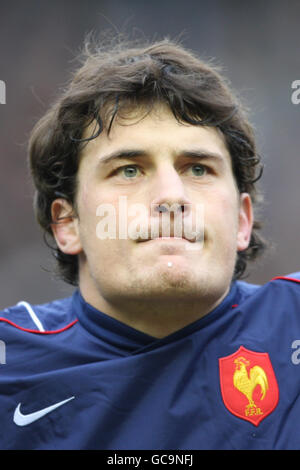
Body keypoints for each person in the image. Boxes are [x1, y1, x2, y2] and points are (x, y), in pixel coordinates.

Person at [0, 35, 299, 450]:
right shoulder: (10, 364)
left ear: (241, 221)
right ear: (67, 223)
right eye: (128, 170)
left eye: (197, 168)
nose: (172, 196)